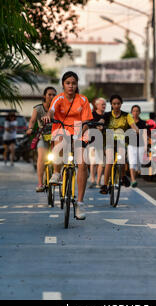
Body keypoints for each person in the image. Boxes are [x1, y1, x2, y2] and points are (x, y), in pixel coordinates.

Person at [41, 71, 93, 220]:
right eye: (68, 83)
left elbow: (85, 122)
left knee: (82, 165)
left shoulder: (83, 100)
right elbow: (51, 111)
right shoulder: (58, 98)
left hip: (80, 131)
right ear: (63, 84)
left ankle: (80, 204)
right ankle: (56, 172)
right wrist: (47, 117)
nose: (71, 86)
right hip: (61, 129)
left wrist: (78, 136)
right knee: (59, 142)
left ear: (77, 85)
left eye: (74, 83)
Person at [100, 94, 139, 195]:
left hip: (122, 141)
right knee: (109, 160)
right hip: (108, 141)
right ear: (111, 105)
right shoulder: (107, 115)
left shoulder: (126, 115)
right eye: (114, 104)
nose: (116, 106)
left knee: (121, 158)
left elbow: (133, 125)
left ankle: (122, 176)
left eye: (118, 104)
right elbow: (101, 121)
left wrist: (136, 130)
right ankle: (105, 185)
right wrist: (99, 126)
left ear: (121, 104)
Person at [27, 86, 57, 192]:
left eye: (54, 95)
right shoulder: (38, 108)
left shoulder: (58, 108)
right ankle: (40, 183)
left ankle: (57, 175)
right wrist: (30, 128)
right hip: (42, 136)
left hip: (56, 137)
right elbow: (32, 120)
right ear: (44, 96)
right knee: (41, 158)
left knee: (60, 154)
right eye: (49, 94)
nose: (52, 96)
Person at [128, 105, 148, 188]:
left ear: (139, 112)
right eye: (134, 111)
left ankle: (134, 178)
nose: (135, 113)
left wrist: (146, 146)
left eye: (137, 111)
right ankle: (133, 180)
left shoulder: (142, 123)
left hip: (140, 146)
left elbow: (144, 134)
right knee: (132, 163)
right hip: (131, 145)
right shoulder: (129, 122)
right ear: (131, 112)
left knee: (138, 165)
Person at [88, 97, 106, 189]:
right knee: (93, 162)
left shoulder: (106, 116)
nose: (104, 106)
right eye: (102, 104)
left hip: (103, 142)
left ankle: (98, 181)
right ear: (97, 105)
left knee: (101, 163)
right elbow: (89, 127)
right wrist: (98, 125)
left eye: (105, 104)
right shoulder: (92, 115)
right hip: (93, 142)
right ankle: (92, 180)